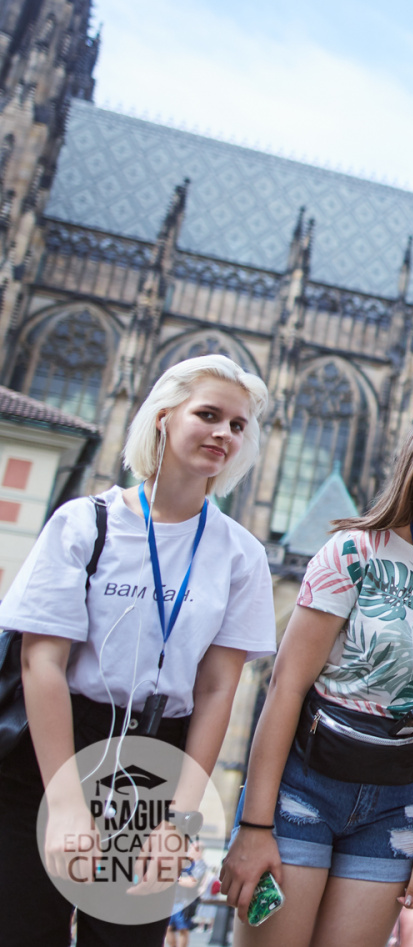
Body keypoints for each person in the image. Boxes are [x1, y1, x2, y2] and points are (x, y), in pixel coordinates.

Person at [0, 354, 276, 947]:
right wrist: (67, 805)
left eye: (238, 425)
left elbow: (217, 689)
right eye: (208, 414)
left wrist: (179, 820)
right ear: (162, 417)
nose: (224, 434)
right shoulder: (84, 523)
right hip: (53, 751)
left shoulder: (240, 553)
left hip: (154, 763)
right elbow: (40, 662)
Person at [221, 405, 413, 947]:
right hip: (305, 783)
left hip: (401, 796)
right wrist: (255, 825)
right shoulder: (353, 550)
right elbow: (285, 687)